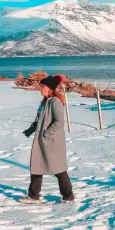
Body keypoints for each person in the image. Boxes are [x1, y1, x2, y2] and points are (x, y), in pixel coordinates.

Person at [20, 74, 74, 203]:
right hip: (42, 141)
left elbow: (59, 122)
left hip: (52, 142)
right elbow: (39, 120)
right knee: (37, 167)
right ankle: (33, 196)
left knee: (59, 170)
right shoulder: (44, 102)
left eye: (42, 86)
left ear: (49, 88)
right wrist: (30, 130)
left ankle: (68, 196)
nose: (40, 88)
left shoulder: (55, 102)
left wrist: (46, 134)